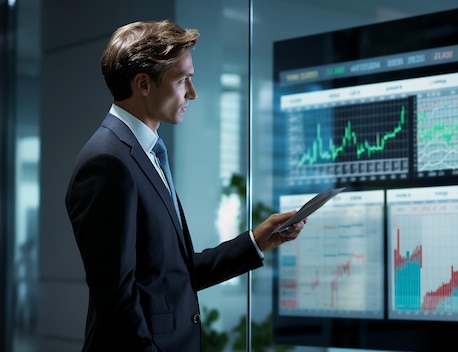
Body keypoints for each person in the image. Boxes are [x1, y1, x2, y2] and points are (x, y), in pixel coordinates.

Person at [65, 19, 306, 352]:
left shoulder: (144, 153)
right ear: (143, 84)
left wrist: (256, 241)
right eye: (183, 80)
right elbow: (115, 298)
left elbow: (170, 274)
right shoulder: (107, 163)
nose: (192, 93)